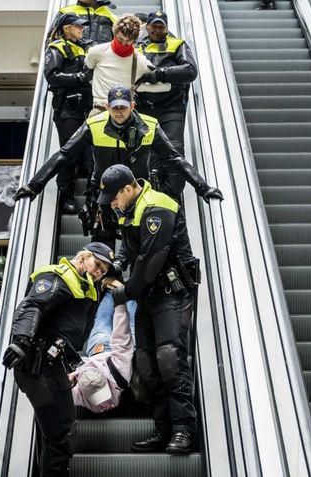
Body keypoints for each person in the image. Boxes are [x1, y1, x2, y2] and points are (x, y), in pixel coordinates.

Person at [13, 85, 222, 246]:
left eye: (123, 107)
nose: (119, 112)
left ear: (132, 106)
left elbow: (174, 158)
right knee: (101, 252)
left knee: (140, 250)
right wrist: (34, 186)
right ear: (107, 107)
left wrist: (203, 188)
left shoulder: (150, 126)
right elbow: (64, 156)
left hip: (137, 197)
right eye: (115, 108)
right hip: (104, 198)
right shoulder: (93, 126)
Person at [99, 164, 203, 454]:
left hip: (172, 292)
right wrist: (118, 265)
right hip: (148, 294)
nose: (113, 205)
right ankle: (163, 429)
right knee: (145, 362)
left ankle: (184, 429)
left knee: (169, 357)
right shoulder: (129, 209)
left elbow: (151, 259)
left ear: (129, 188)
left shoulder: (158, 206)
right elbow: (128, 248)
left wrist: (126, 291)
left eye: (115, 199)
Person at [1, 242, 114, 477]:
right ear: (84, 256)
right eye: (97, 265)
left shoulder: (84, 286)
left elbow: (67, 328)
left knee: (58, 433)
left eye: (103, 270)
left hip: (51, 366)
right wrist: (21, 340)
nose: (98, 272)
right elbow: (33, 305)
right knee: (62, 434)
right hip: (39, 367)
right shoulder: (58, 277)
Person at [135, 11, 198, 196]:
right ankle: (152, 195)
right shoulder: (138, 46)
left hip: (171, 108)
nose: (156, 29)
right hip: (144, 108)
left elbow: (190, 70)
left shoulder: (177, 44)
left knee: (174, 150)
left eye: (160, 26)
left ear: (166, 27)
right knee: (148, 152)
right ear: (146, 27)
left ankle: (173, 196)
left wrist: (158, 74)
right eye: (153, 25)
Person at [44, 12, 94, 214]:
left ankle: (92, 199)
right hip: (67, 109)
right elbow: (52, 76)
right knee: (69, 153)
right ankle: (65, 197)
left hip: (86, 108)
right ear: (66, 28)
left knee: (91, 153)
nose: (82, 29)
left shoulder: (84, 47)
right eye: (78, 26)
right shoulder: (56, 48)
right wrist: (80, 78)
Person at [70, 277, 134, 413]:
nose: (104, 405)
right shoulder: (80, 389)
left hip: (102, 348)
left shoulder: (120, 371)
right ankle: (118, 291)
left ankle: (123, 291)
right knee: (103, 319)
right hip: (99, 348)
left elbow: (122, 337)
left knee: (130, 320)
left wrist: (120, 306)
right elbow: (58, 394)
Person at [84, 14, 154, 115]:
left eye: (128, 41)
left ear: (134, 40)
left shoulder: (140, 61)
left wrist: (140, 87)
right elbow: (88, 67)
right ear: (115, 33)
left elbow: (164, 85)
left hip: (125, 114)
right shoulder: (97, 52)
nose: (123, 44)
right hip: (100, 110)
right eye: (120, 39)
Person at [53, 0, 118, 45]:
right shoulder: (65, 12)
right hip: (74, 55)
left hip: (102, 55)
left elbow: (120, 43)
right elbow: (52, 40)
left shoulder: (111, 17)